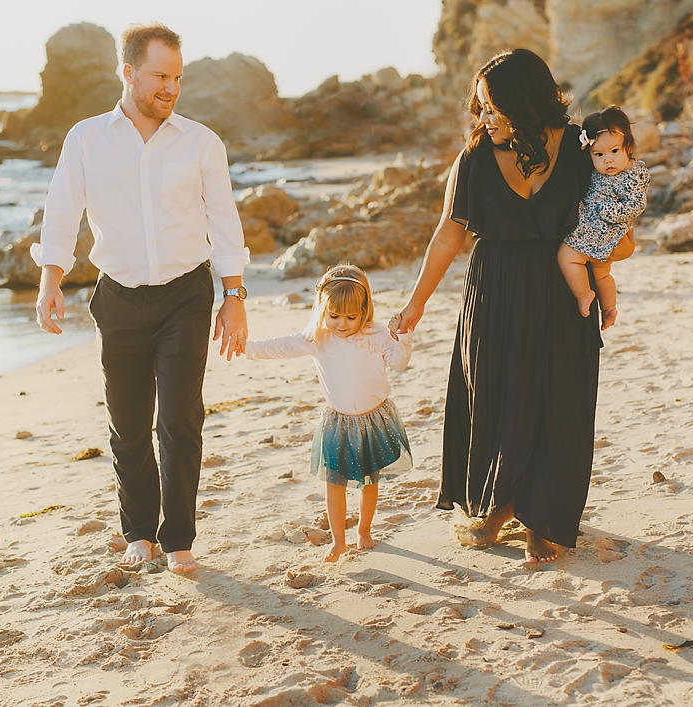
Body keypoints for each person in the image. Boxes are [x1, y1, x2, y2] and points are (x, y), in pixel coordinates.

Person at [32, 23, 249, 574]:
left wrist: (234, 295)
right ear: (127, 73)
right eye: (159, 76)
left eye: (177, 77)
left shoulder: (201, 142)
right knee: (128, 424)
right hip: (119, 299)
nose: (171, 88)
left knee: (179, 418)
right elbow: (62, 211)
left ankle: (177, 540)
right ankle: (139, 533)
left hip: (186, 295)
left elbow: (224, 223)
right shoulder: (86, 138)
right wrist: (50, 279)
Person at [390, 48, 608, 564]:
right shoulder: (474, 158)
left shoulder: (579, 150)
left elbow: (612, 211)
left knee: (559, 400)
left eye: (493, 108)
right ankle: (500, 502)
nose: (482, 118)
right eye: (480, 107)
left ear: (523, 101)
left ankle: (543, 516)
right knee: (497, 394)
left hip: (562, 289)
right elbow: (448, 236)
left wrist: (607, 272)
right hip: (495, 292)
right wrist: (416, 304)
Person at [240, 264, 413, 562]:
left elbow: (398, 362)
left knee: (369, 482)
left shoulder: (376, 334)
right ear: (323, 309)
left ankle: (364, 531)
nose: (342, 324)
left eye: (350, 317)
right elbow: (280, 346)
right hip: (339, 424)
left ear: (364, 309)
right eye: (334, 316)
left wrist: (404, 335)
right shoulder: (318, 337)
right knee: (334, 484)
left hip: (373, 420)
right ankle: (338, 541)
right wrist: (246, 348)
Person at [558, 106, 650, 330]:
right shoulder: (597, 172)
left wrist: (605, 210)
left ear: (628, 146)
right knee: (602, 274)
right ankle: (609, 308)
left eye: (615, 151)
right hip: (598, 229)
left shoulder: (634, 174)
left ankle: (583, 295)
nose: (608, 160)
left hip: (603, 229)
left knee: (567, 258)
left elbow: (637, 204)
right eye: (598, 155)